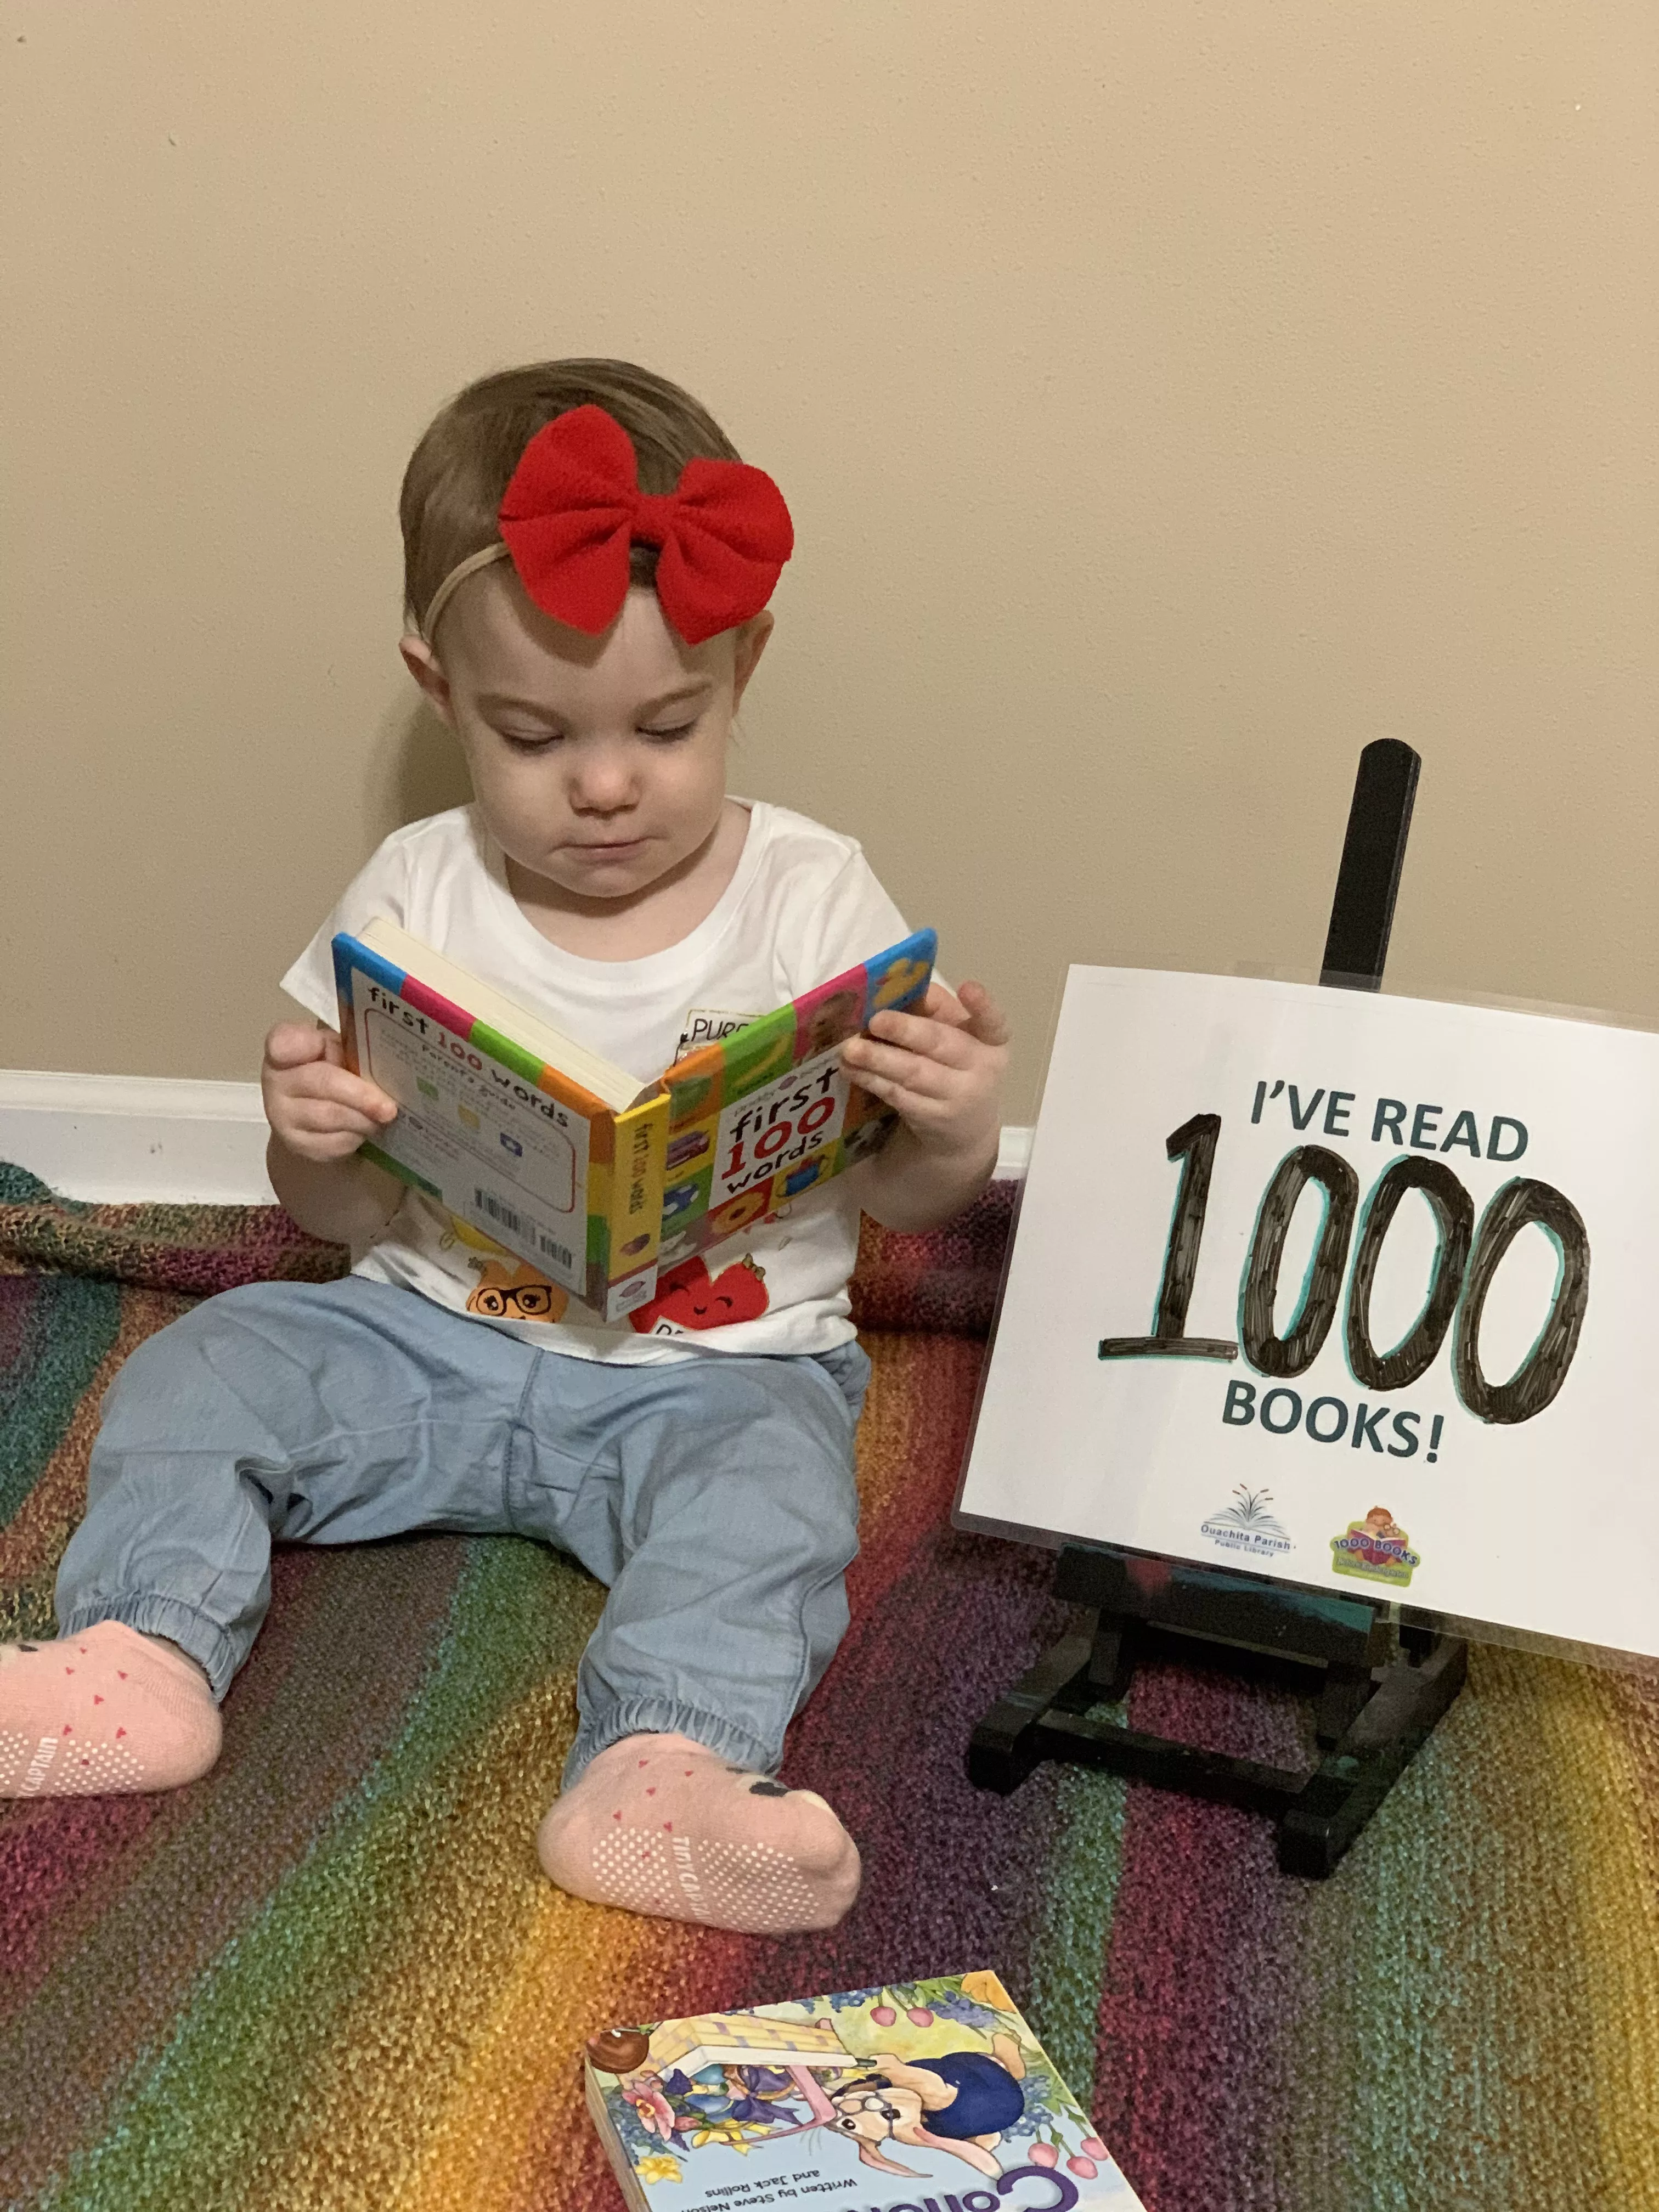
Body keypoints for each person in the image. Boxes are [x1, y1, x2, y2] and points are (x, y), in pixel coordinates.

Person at [0, 359, 1008, 1935]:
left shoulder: (815, 898)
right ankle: (138, 1656)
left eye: (667, 728)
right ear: (440, 689)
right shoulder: (416, 888)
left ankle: (667, 1765)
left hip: (713, 1374)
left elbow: (912, 1193)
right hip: (426, 1337)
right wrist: (313, 1137)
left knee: (780, 1503)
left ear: (746, 665)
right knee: (209, 1364)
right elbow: (324, 1207)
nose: (606, 786)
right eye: (534, 736)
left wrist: (949, 1126)